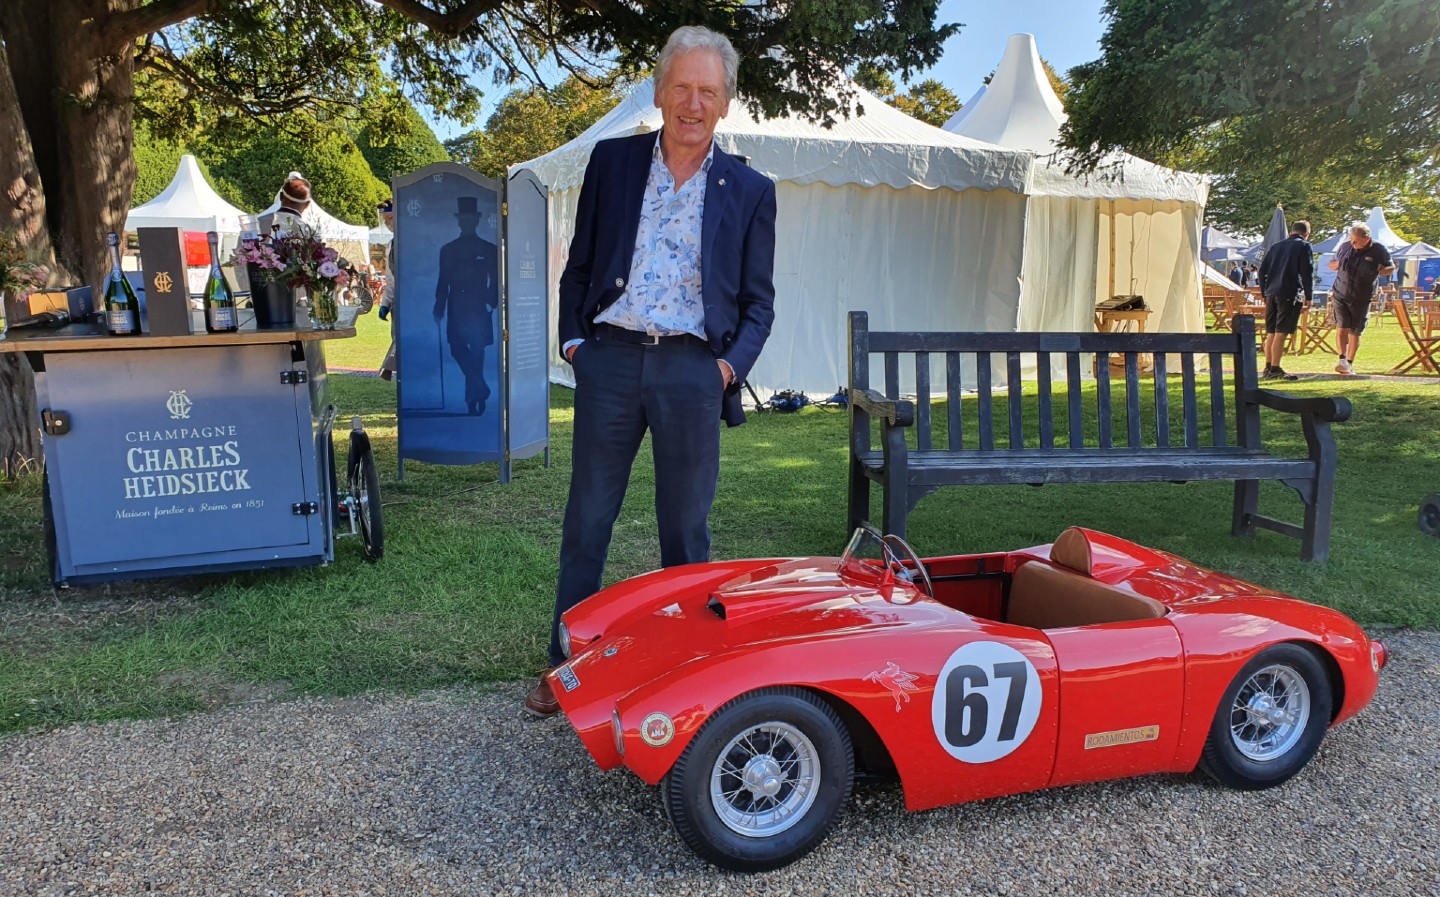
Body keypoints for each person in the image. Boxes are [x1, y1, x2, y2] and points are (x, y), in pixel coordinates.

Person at [525, 24, 777, 716]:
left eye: (708, 91)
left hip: (694, 371)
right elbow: (578, 267)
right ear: (660, 91)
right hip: (610, 360)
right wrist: (576, 344)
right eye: (682, 87)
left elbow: (760, 303)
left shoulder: (751, 189)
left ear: (726, 103)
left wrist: (725, 369)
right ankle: (565, 666)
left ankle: (686, 672)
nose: (693, 103)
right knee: (588, 521)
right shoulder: (612, 161)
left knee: (685, 532)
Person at [432, 195, 499, 414]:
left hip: (479, 305)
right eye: (463, 218)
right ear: (459, 220)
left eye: (471, 218)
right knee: (457, 349)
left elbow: (495, 280)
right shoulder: (448, 249)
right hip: (457, 305)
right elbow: (443, 281)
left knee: (477, 351)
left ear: (477, 220)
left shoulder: (489, 249)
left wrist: (492, 303)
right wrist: (439, 307)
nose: (467, 222)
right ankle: (480, 387)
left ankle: (473, 398)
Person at [1328, 224, 1396, 375]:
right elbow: (1331, 264)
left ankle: (1349, 363)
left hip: (1362, 295)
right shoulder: (1345, 247)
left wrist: (1381, 269)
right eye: (1352, 240)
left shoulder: (1379, 250)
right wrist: (1337, 264)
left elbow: (1391, 267)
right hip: (1341, 292)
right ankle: (1342, 359)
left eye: (1356, 241)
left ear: (1367, 239)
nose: (1353, 244)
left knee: (1355, 331)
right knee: (1342, 328)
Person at [1256, 220, 1313, 380]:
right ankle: (1275, 368)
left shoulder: (1276, 246)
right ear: (1306, 234)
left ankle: (1268, 367)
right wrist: (1309, 295)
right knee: (1281, 331)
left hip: (1271, 293)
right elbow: (1306, 271)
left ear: (1292, 231)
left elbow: (1262, 272)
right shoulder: (1303, 246)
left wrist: (1264, 292)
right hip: (1288, 292)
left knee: (1271, 332)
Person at [376, 199, 398, 381]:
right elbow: (391, 278)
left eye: (390, 218)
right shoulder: (391, 245)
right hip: (399, 302)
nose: (388, 223)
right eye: (385, 220)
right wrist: (386, 303)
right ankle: (391, 369)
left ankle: (389, 366)